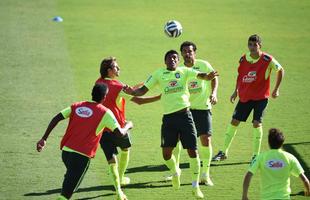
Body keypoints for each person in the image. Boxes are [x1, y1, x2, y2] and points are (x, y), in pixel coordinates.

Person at [124, 50, 218, 199]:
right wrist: (131, 91)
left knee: (193, 152)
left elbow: (201, 76)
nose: (172, 59)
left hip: (186, 116)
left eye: (175, 57)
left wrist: (208, 77)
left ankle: (196, 186)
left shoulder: (185, 71)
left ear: (178, 60)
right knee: (166, 154)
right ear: (165, 61)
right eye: (169, 58)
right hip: (169, 119)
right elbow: (142, 91)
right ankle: (175, 172)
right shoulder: (158, 74)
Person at [36, 84, 133, 200]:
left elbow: (56, 118)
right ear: (104, 97)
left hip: (66, 153)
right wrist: (128, 125)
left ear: (92, 94)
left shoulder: (77, 106)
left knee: (70, 182)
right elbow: (120, 134)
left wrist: (44, 138)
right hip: (81, 157)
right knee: (66, 195)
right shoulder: (105, 112)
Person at [213, 34, 284, 161]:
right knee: (234, 121)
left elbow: (281, 70)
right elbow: (240, 76)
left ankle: (255, 156)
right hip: (245, 97)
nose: (252, 47)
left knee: (257, 123)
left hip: (261, 98)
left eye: (254, 45)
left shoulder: (267, 59)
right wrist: (235, 91)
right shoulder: (243, 59)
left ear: (259, 46)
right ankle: (223, 152)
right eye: (250, 45)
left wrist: (276, 89)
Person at [95, 57, 159, 194]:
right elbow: (139, 101)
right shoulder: (118, 86)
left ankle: (117, 185)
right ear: (109, 70)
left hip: (102, 127)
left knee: (111, 158)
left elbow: (115, 95)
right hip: (118, 126)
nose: (119, 69)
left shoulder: (98, 82)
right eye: (116, 67)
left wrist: (133, 88)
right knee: (126, 149)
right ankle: (122, 177)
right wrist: (159, 97)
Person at [242, 128, 310, 200]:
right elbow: (305, 180)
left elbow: (248, 175)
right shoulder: (290, 157)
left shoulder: (261, 157)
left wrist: (244, 195)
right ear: (282, 142)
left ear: (268, 142)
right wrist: (308, 190)